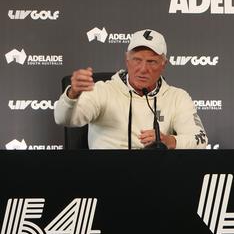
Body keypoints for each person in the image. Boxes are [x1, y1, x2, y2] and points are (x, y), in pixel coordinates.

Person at [54, 29, 208, 149]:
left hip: (155, 180)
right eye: (137, 60)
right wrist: (72, 94)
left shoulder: (177, 97)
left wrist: (169, 140)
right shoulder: (102, 91)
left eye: (152, 62)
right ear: (127, 59)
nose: (143, 69)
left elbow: (200, 139)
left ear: (163, 64)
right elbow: (64, 119)